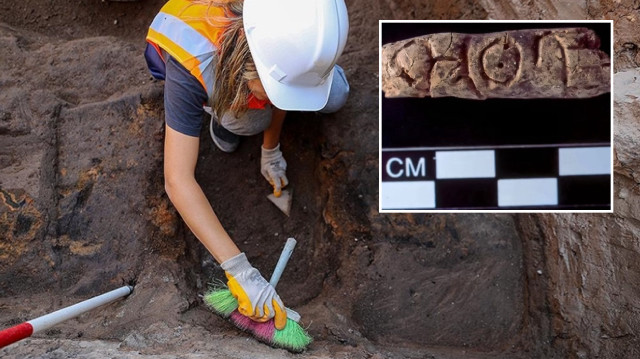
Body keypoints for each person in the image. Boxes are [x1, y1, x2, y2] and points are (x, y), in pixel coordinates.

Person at [144, 0, 349, 330]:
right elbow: (177, 180)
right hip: (208, 61)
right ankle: (220, 114)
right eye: (272, 86)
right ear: (247, 62)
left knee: (335, 94)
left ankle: (280, 95)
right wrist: (240, 270)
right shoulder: (190, 60)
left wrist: (271, 149)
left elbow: (282, 90)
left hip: (273, 60)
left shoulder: (306, 18)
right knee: (249, 120)